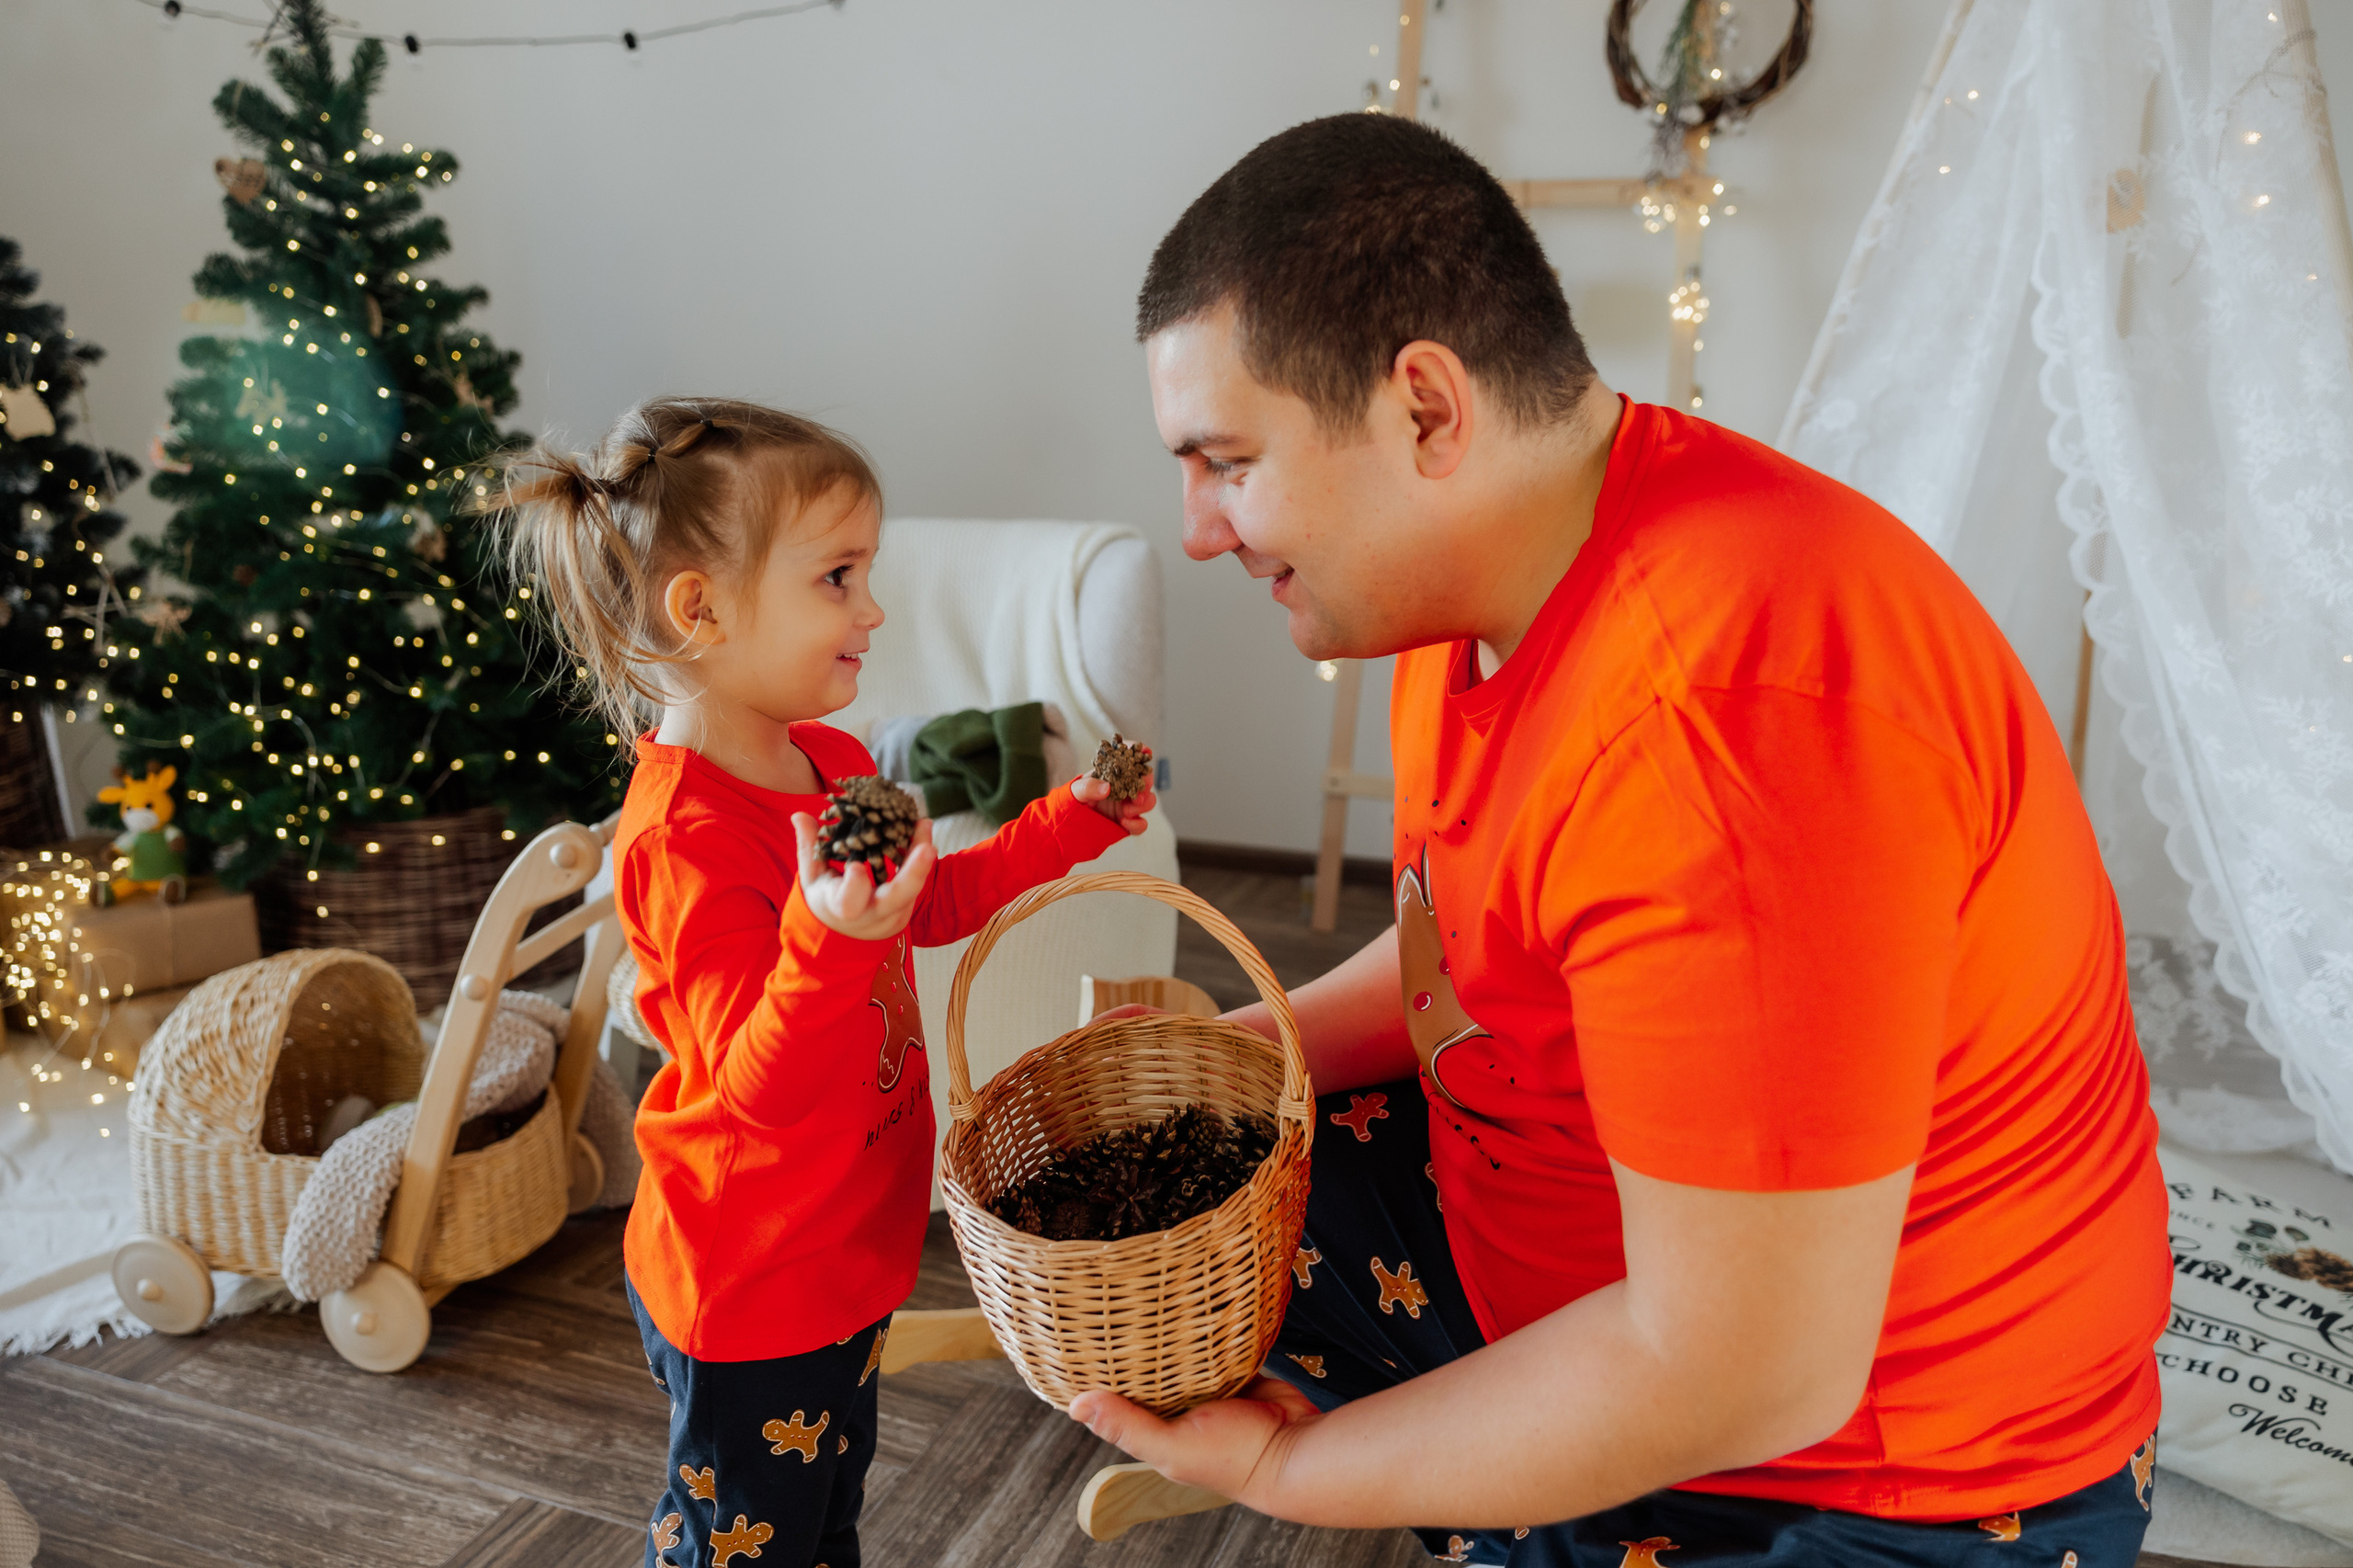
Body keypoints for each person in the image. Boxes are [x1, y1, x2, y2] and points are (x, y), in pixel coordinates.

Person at [1068, 115, 2171, 1566]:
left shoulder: (1719, 725)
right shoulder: (1473, 573)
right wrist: (1223, 1048)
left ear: (1425, 410)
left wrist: (1294, 1465)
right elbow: (1446, 968)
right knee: (1170, 1178)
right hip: (1597, 1248)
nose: (1201, 528)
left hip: (1877, 1465)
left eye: (1227, 461)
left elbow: (1751, 1369)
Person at [493, 399, 1152, 1568]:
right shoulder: (682, 837)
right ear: (698, 608)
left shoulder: (832, 762)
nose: (873, 608)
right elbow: (760, 1081)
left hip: (842, 1250)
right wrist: (834, 931)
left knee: (818, 1516)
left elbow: (928, 905)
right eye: (838, 576)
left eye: (867, 572)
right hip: (750, 1285)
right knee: (744, 1544)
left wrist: (1067, 823)